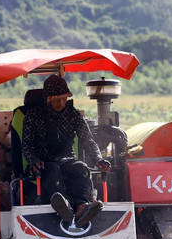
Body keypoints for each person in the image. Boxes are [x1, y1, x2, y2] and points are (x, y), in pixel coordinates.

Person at [21, 74, 110, 228]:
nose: (61, 103)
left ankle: (82, 207)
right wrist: (33, 160)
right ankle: (66, 207)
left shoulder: (73, 115)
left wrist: (99, 159)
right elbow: (27, 146)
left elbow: (88, 141)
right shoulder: (32, 116)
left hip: (67, 159)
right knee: (53, 169)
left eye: (64, 98)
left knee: (80, 167)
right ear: (48, 98)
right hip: (44, 163)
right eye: (57, 99)